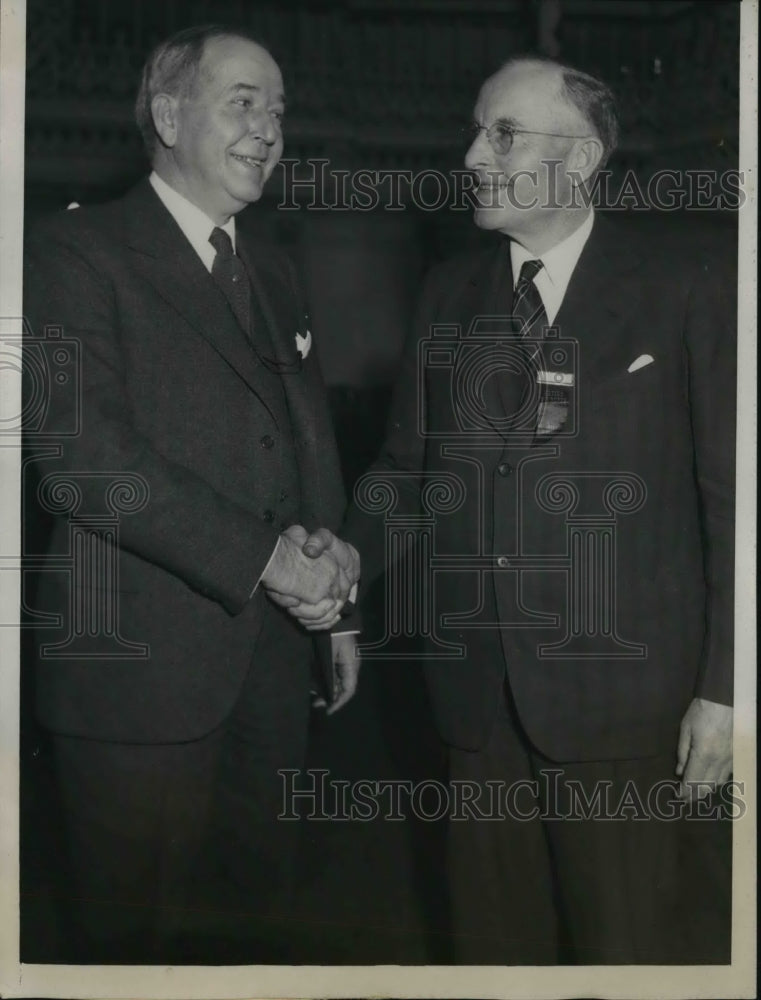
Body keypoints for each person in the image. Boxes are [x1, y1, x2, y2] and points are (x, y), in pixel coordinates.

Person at [299, 55, 736, 964]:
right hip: (475, 708)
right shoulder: (447, 293)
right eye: (473, 129)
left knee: (632, 959)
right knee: (494, 963)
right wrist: (342, 560)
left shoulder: (690, 281)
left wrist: (729, 692)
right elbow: (406, 470)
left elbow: (734, 503)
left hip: (629, 713)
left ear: (578, 162)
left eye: (502, 132)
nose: (469, 154)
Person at [23, 23, 359, 963]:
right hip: (137, 684)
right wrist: (268, 561)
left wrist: (330, 602)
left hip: (270, 670)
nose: (269, 129)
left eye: (279, 110)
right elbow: (79, 455)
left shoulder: (277, 271)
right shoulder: (69, 253)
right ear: (169, 116)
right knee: (141, 953)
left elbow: (304, 443)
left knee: (254, 937)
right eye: (243, 102)